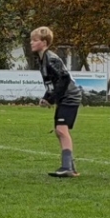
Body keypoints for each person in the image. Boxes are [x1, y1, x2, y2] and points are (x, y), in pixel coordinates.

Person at [31, 26, 80, 177]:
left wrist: (51, 99)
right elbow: (53, 82)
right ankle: (70, 167)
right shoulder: (42, 59)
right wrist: (47, 97)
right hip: (63, 97)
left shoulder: (51, 58)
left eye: (35, 40)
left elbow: (64, 78)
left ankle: (67, 168)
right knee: (59, 131)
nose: (31, 43)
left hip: (69, 97)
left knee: (61, 130)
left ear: (44, 42)